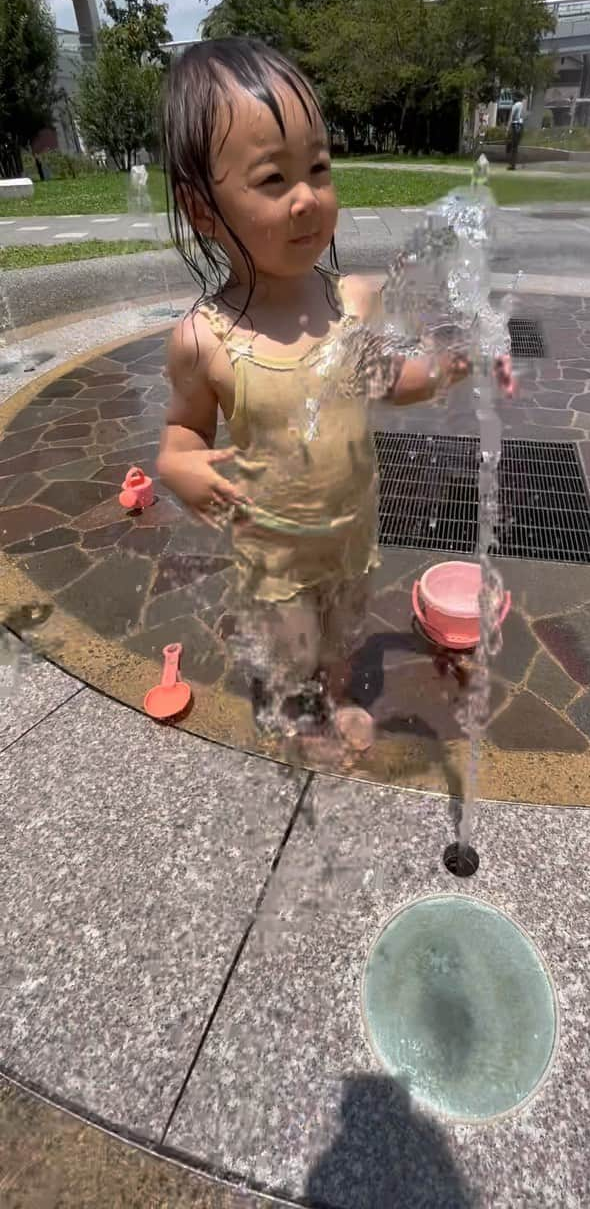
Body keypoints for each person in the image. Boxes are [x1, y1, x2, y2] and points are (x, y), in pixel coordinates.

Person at [157, 38, 476, 754]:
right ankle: (294, 705)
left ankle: (332, 698)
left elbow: (387, 382)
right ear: (203, 210)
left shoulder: (348, 306)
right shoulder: (204, 341)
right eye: (273, 179)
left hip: (348, 531)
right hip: (274, 550)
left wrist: (450, 366)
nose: (307, 198)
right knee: (291, 644)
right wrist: (181, 469)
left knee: (342, 637)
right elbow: (180, 437)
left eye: (320, 169)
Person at [507, 94, 525, 170]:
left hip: (515, 125)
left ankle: (512, 165)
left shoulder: (515, 105)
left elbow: (511, 117)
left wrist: (508, 128)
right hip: (521, 126)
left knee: (513, 146)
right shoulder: (522, 105)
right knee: (515, 146)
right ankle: (513, 163)